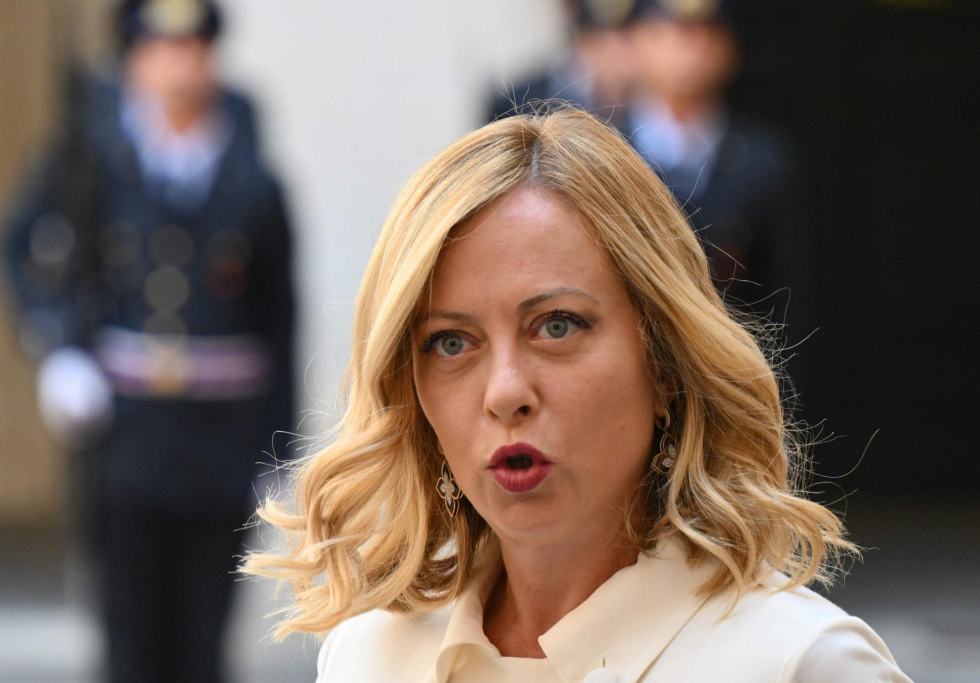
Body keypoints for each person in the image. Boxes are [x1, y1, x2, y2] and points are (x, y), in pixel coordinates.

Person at [246, 110, 908, 682]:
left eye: (556, 326)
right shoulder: (369, 655)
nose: (506, 392)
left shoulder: (797, 661)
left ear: (665, 362)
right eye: (451, 342)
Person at [0, 1, 295, 681]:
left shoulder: (247, 165)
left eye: (194, 49)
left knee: (203, 645)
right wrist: (59, 345)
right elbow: (16, 247)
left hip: (221, 435)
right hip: (127, 433)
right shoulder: (93, 151)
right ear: (133, 59)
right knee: (132, 643)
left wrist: (278, 445)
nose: (180, 65)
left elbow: (280, 311)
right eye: (162, 50)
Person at [624, 0, 813, 334]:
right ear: (636, 41)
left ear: (729, 48)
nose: (687, 49)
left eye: (705, 33)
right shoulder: (603, 149)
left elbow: (785, 301)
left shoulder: (766, 163)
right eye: (669, 32)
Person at [486, 0, 642, 130]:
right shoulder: (520, 99)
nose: (621, 59)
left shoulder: (644, 106)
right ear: (585, 42)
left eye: (627, 42)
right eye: (605, 44)